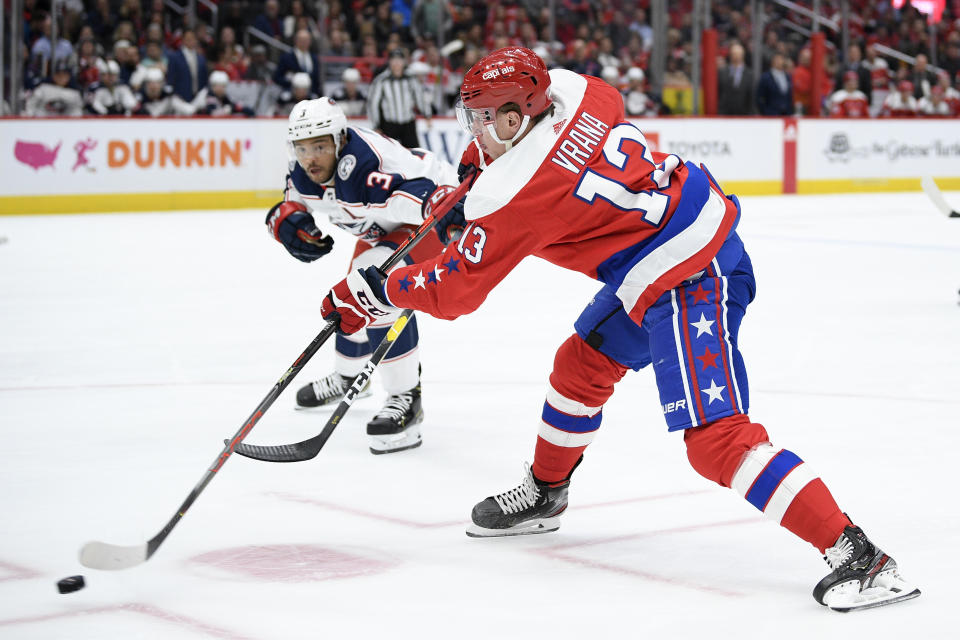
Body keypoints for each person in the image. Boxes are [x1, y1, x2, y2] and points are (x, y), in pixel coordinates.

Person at [318, 47, 920, 612]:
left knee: (715, 440)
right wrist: (469, 192)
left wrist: (375, 292)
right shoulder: (583, 97)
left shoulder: (521, 198)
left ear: (510, 119)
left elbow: (455, 290)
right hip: (674, 249)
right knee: (579, 367)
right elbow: (519, 179)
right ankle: (546, 492)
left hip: (687, 275)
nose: (470, 131)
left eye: (478, 119)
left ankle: (861, 558)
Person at [268, 97, 458, 454]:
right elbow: (291, 199)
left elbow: (415, 195)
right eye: (303, 147)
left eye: (320, 146)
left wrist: (440, 206)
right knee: (350, 293)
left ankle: (407, 398)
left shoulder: (365, 169)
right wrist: (286, 221)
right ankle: (348, 375)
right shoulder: (303, 168)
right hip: (387, 228)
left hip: (437, 221)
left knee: (373, 290)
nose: (311, 157)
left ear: (340, 141)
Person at [367, 49, 433, 148]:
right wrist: (376, 125)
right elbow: (373, 104)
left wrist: (427, 114)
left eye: (399, 60)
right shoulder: (381, 80)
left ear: (403, 62)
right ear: (389, 62)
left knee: (413, 154)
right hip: (389, 124)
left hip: (408, 123)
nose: (397, 63)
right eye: (394, 60)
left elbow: (419, 97)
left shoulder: (411, 78)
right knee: (389, 155)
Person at [717, 43, 754, 115]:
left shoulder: (750, 74)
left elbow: (751, 96)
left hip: (744, 114)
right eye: (734, 53)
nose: (736, 56)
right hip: (725, 114)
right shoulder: (722, 72)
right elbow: (719, 92)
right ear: (730, 55)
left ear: (743, 55)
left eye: (738, 54)